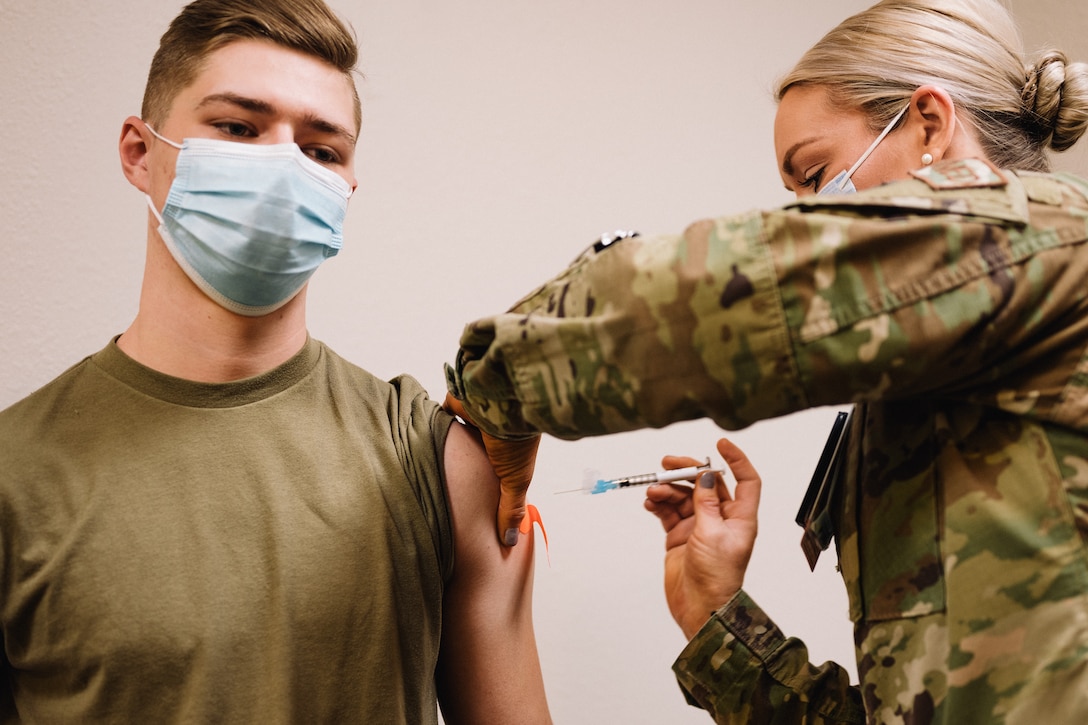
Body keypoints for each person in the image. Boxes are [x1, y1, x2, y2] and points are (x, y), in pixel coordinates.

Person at [445, 0, 1088, 720]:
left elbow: (706, 306)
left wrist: (493, 386)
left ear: (930, 125)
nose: (805, 217)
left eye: (815, 176)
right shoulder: (952, 367)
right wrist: (719, 622)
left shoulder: (1044, 242)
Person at [0, 1, 552, 723]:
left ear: (346, 188)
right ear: (140, 152)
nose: (284, 166)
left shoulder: (440, 460)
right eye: (237, 127)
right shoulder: (17, 475)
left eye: (322, 150)